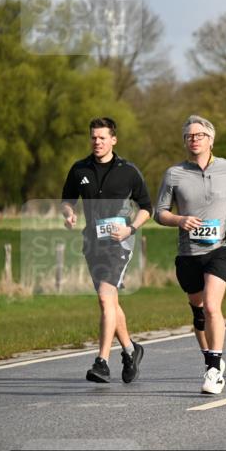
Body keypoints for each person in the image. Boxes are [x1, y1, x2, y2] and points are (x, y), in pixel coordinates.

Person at [155, 115, 226, 395]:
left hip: (221, 248)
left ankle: (213, 371)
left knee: (212, 306)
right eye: (189, 135)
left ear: (211, 139)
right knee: (199, 312)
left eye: (199, 135)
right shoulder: (174, 173)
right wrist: (179, 220)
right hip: (188, 252)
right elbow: (159, 212)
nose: (194, 139)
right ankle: (211, 357)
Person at [61, 117, 151, 384]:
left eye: (102, 137)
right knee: (110, 301)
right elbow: (67, 201)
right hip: (93, 243)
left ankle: (101, 362)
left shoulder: (129, 171)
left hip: (119, 243)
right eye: (93, 137)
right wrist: (68, 215)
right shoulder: (79, 169)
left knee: (104, 297)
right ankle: (131, 350)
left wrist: (130, 229)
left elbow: (147, 207)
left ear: (113, 139)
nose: (97, 142)